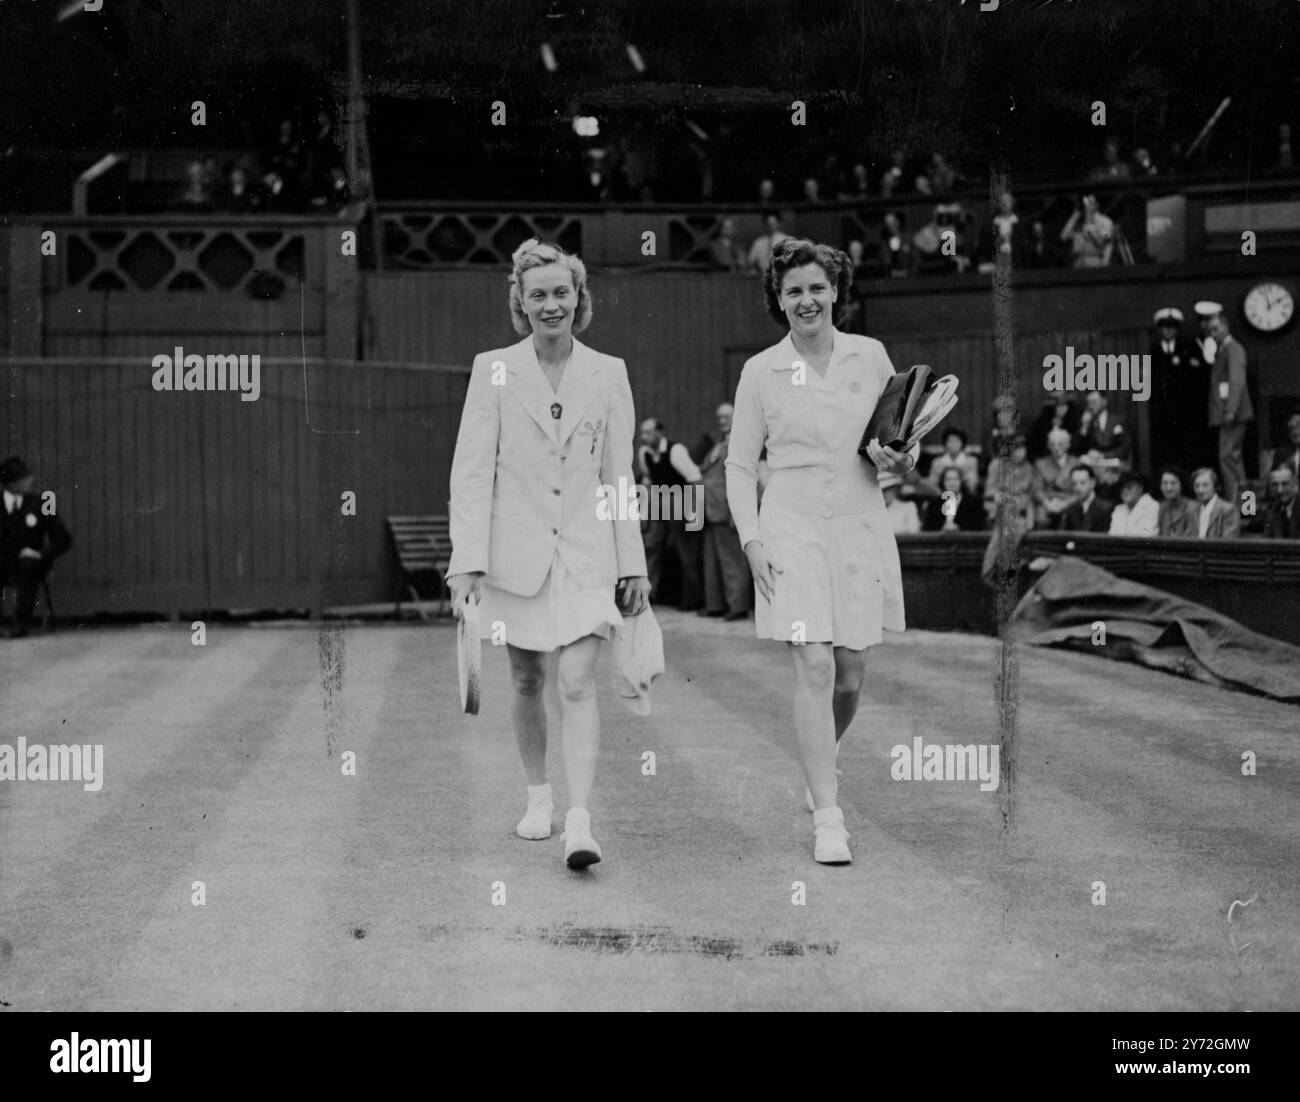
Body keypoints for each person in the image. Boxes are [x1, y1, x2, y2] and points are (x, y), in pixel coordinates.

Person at [444, 238, 651, 871]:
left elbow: (620, 476)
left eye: (562, 292)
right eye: (538, 295)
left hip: (588, 556)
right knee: (529, 679)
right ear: (521, 303)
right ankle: (540, 798)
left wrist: (632, 563)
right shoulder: (493, 369)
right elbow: (472, 474)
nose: (551, 304)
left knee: (577, 679)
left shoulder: (609, 372)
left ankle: (580, 821)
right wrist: (466, 563)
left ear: (579, 298)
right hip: (516, 558)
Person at [726, 238, 919, 866]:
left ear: (836, 291)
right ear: (778, 302)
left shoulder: (871, 356)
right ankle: (828, 818)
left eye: (816, 288)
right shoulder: (760, 370)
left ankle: (821, 764)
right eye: (793, 292)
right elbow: (737, 465)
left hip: (860, 524)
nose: (806, 300)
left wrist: (902, 458)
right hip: (791, 529)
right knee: (814, 666)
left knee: (851, 672)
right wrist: (752, 540)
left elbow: (898, 447)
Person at [0, 457, 72, 638]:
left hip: (33, 563)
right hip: (4, 562)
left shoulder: (43, 503)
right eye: (23, 479)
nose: (29, 481)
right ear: (10, 484)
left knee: (28, 563)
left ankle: (20, 625)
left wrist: (41, 553)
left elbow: (64, 540)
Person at [639, 418, 704, 610]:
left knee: (685, 551)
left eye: (648, 433)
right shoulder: (644, 453)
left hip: (679, 502)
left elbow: (695, 479)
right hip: (659, 502)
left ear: (660, 433)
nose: (644, 437)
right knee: (652, 546)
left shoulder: (676, 450)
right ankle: (649, 595)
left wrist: (695, 512)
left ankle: (692, 597)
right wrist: (644, 512)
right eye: (642, 433)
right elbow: (648, 481)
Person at [697, 403, 752, 620]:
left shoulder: (740, 441)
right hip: (710, 509)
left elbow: (744, 475)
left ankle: (737, 606)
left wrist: (737, 510)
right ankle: (716, 603)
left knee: (732, 561)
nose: (722, 421)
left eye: (726, 416)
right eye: (719, 417)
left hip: (726, 507)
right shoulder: (720, 443)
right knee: (712, 561)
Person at [1205, 308, 1254, 504]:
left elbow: (1237, 380)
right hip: (1229, 413)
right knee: (1232, 458)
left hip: (1233, 414)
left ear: (1226, 326)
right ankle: (1244, 507)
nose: (1213, 333)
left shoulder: (1233, 348)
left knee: (1228, 457)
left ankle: (1237, 506)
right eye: (1211, 330)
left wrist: (1231, 409)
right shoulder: (1224, 349)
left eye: (1216, 328)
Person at [1032, 427, 1079, 528]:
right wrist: (1047, 503)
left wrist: (1065, 503)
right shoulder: (1041, 464)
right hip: (1047, 502)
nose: (1056, 448)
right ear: (1048, 446)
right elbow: (1037, 490)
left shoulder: (1076, 463)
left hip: (1069, 502)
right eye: (1052, 444)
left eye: (1060, 444)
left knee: (1071, 518)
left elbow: (1078, 491)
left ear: (1067, 445)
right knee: (1041, 519)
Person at [922, 466, 984, 532]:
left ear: (961, 481)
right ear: (943, 482)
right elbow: (927, 528)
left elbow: (978, 527)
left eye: (956, 479)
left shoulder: (974, 503)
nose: (952, 483)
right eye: (948, 480)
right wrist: (942, 530)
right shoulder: (934, 504)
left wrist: (959, 529)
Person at [1060, 194, 1114, 268]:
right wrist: (1075, 215)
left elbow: (1107, 238)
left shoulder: (1105, 222)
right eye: (1085, 203)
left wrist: (1098, 232)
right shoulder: (1078, 222)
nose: (1087, 206)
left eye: (1090, 203)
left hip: (1096, 262)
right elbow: (1064, 236)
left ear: (1096, 205)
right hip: (1079, 263)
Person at [1060, 464, 1113, 533]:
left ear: (1093, 483)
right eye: (1074, 483)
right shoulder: (1070, 510)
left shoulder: (1106, 509)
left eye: (1082, 483)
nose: (1078, 488)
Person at [1191, 467, 1241, 539]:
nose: (1200, 490)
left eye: (1205, 485)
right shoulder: (1192, 509)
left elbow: (1229, 541)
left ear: (1215, 486)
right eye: (1197, 486)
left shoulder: (1228, 509)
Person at [1108, 472, 1160, 537]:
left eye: (1129, 487)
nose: (1125, 491)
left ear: (1140, 488)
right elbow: (1112, 535)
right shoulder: (1118, 509)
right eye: (1122, 487)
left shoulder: (1152, 506)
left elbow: (1148, 535)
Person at [1156, 466, 1199, 537]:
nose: (1168, 488)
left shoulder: (1192, 507)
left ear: (1181, 485)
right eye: (1165, 483)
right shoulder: (1161, 507)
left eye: (1173, 483)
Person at [1262, 464, 1300, 539]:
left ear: (1295, 484)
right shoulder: (1273, 510)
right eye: (1275, 485)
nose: (1279, 490)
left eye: (1284, 484)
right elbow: (1266, 540)